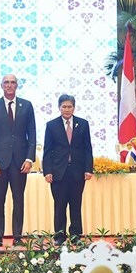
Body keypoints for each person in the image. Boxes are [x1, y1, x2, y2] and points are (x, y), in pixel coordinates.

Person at [0, 74, 36, 247]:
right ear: (1, 85)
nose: (9, 85)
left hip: (20, 163)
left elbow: (32, 135)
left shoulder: (27, 106)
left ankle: (17, 236)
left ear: (17, 85)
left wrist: (30, 158)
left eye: (12, 82)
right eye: (6, 82)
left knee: (18, 200)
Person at [42, 94, 93, 246]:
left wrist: (88, 169)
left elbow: (87, 148)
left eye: (69, 106)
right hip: (58, 172)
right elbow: (47, 150)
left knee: (76, 204)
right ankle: (59, 235)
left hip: (77, 171)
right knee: (60, 205)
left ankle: (76, 234)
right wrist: (48, 171)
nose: (67, 109)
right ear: (59, 108)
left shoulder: (82, 124)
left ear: (74, 107)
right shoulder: (52, 125)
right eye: (64, 106)